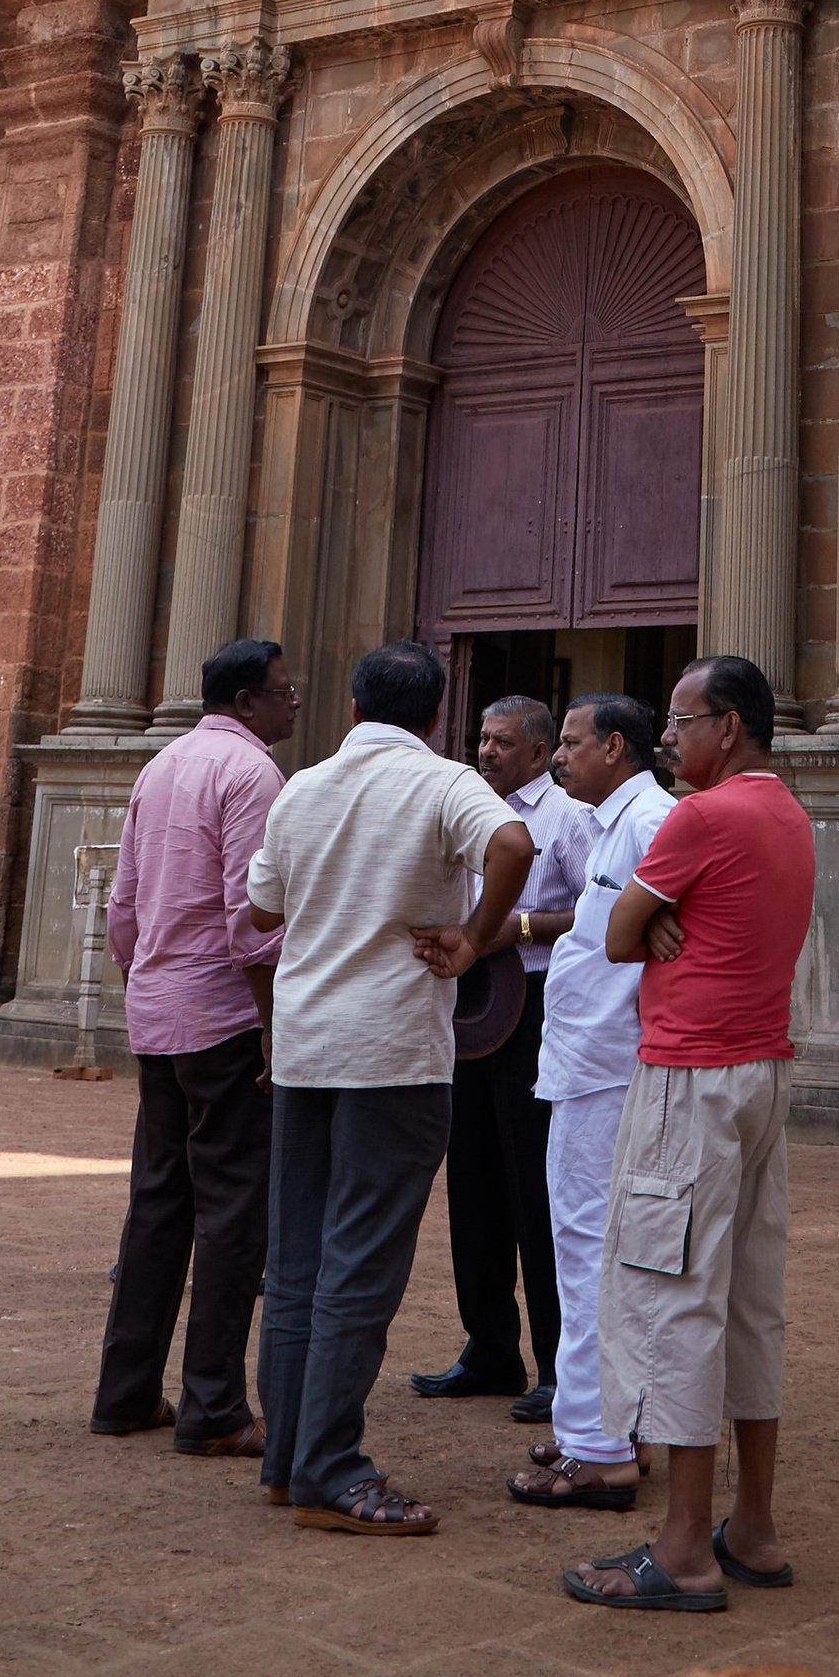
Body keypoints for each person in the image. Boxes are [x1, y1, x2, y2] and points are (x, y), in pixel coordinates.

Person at [245, 640, 533, 1534]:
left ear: (354, 702)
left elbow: (262, 909)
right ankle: (330, 1467)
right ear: (437, 715)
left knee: (297, 1261)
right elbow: (514, 842)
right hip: (394, 1052)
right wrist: (477, 938)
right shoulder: (441, 783)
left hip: (304, 1046)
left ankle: (291, 1459)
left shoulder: (302, 788)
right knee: (361, 1265)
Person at [564, 652, 817, 1620]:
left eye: (682, 719)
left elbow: (618, 936)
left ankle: (681, 1548)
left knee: (670, 1297)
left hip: (688, 1079)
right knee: (749, 1298)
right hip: (761, 1073)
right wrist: (663, 917)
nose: (668, 736)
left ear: (732, 727)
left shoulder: (700, 818)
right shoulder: (785, 812)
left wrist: (658, 918)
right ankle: (749, 1525)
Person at [89, 637, 296, 1457]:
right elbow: (251, 921)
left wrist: (147, 973)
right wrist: (273, 1024)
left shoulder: (161, 765)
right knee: (235, 1214)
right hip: (223, 1017)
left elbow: (123, 904)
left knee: (158, 1203)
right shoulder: (252, 775)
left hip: (157, 1011)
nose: (291, 704)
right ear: (246, 701)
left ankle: (126, 1391)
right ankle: (213, 1405)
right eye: (282, 692)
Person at [412, 693, 594, 1421]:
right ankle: (488, 1347)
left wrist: (511, 927)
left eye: (501, 741)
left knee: (535, 1184)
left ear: (539, 749)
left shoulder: (567, 818)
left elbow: (597, 910)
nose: (485, 750)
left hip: (538, 1008)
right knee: (473, 1179)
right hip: (470, 1003)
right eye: (481, 737)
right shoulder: (463, 810)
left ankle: (555, 1364)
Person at [509, 694, 669, 1510]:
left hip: (607, 1067)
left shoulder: (650, 821)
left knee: (584, 1251)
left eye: (570, 742)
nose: (558, 755)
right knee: (596, 1248)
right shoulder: (613, 822)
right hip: (586, 1059)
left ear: (614, 746)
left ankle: (598, 1447)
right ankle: (607, 1420)